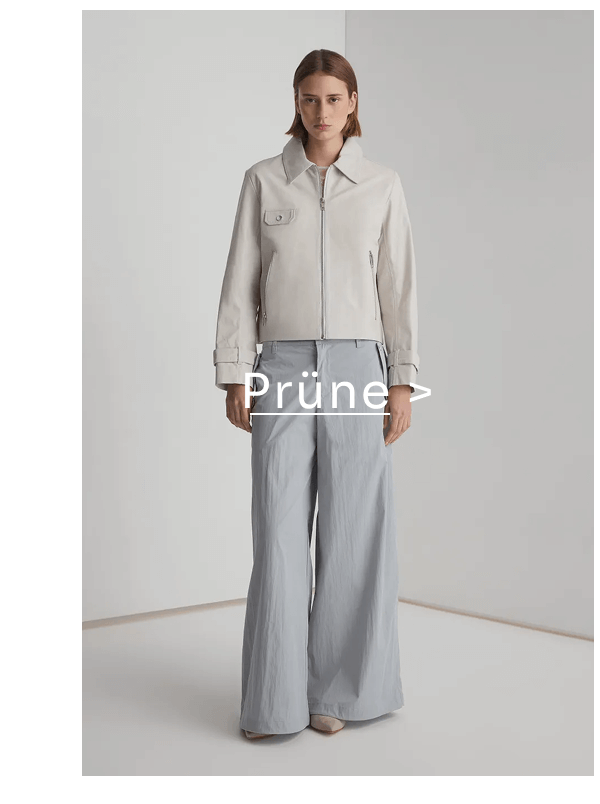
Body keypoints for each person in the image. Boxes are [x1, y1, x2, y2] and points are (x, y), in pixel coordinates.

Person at [212, 49, 419, 740]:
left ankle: (338, 692)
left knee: (354, 529)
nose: (321, 111)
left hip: (360, 366)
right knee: (277, 528)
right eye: (309, 98)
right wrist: (236, 371)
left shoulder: (382, 184)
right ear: (296, 103)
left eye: (333, 98)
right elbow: (241, 281)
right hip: (283, 365)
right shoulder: (264, 181)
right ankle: (272, 702)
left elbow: (398, 289)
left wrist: (400, 381)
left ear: (352, 103)